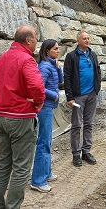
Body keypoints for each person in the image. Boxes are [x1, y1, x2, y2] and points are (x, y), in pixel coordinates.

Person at [0, 25, 46, 209]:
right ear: (28, 40)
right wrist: (38, 102)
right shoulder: (26, 60)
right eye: (36, 38)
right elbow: (37, 87)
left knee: (4, 165)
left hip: (2, 117)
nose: (37, 42)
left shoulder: (0, 60)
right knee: (21, 168)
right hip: (21, 118)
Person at [30, 39, 64, 193]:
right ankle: (37, 180)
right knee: (43, 142)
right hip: (45, 108)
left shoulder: (51, 65)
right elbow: (38, 88)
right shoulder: (44, 66)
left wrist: (58, 68)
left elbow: (61, 81)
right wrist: (54, 95)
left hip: (49, 106)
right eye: (55, 49)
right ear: (47, 51)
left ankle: (47, 172)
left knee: (47, 140)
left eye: (58, 49)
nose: (58, 51)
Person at [64, 30, 101, 167]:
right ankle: (76, 154)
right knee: (76, 125)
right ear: (78, 41)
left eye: (88, 38)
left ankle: (86, 151)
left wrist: (97, 88)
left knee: (89, 124)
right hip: (78, 96)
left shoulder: (92, 54)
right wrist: (70, 96)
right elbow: (66, 77)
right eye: (84, 38)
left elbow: (97, 71)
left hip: (92, 94)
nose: (87, 40)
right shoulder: (71, 56)